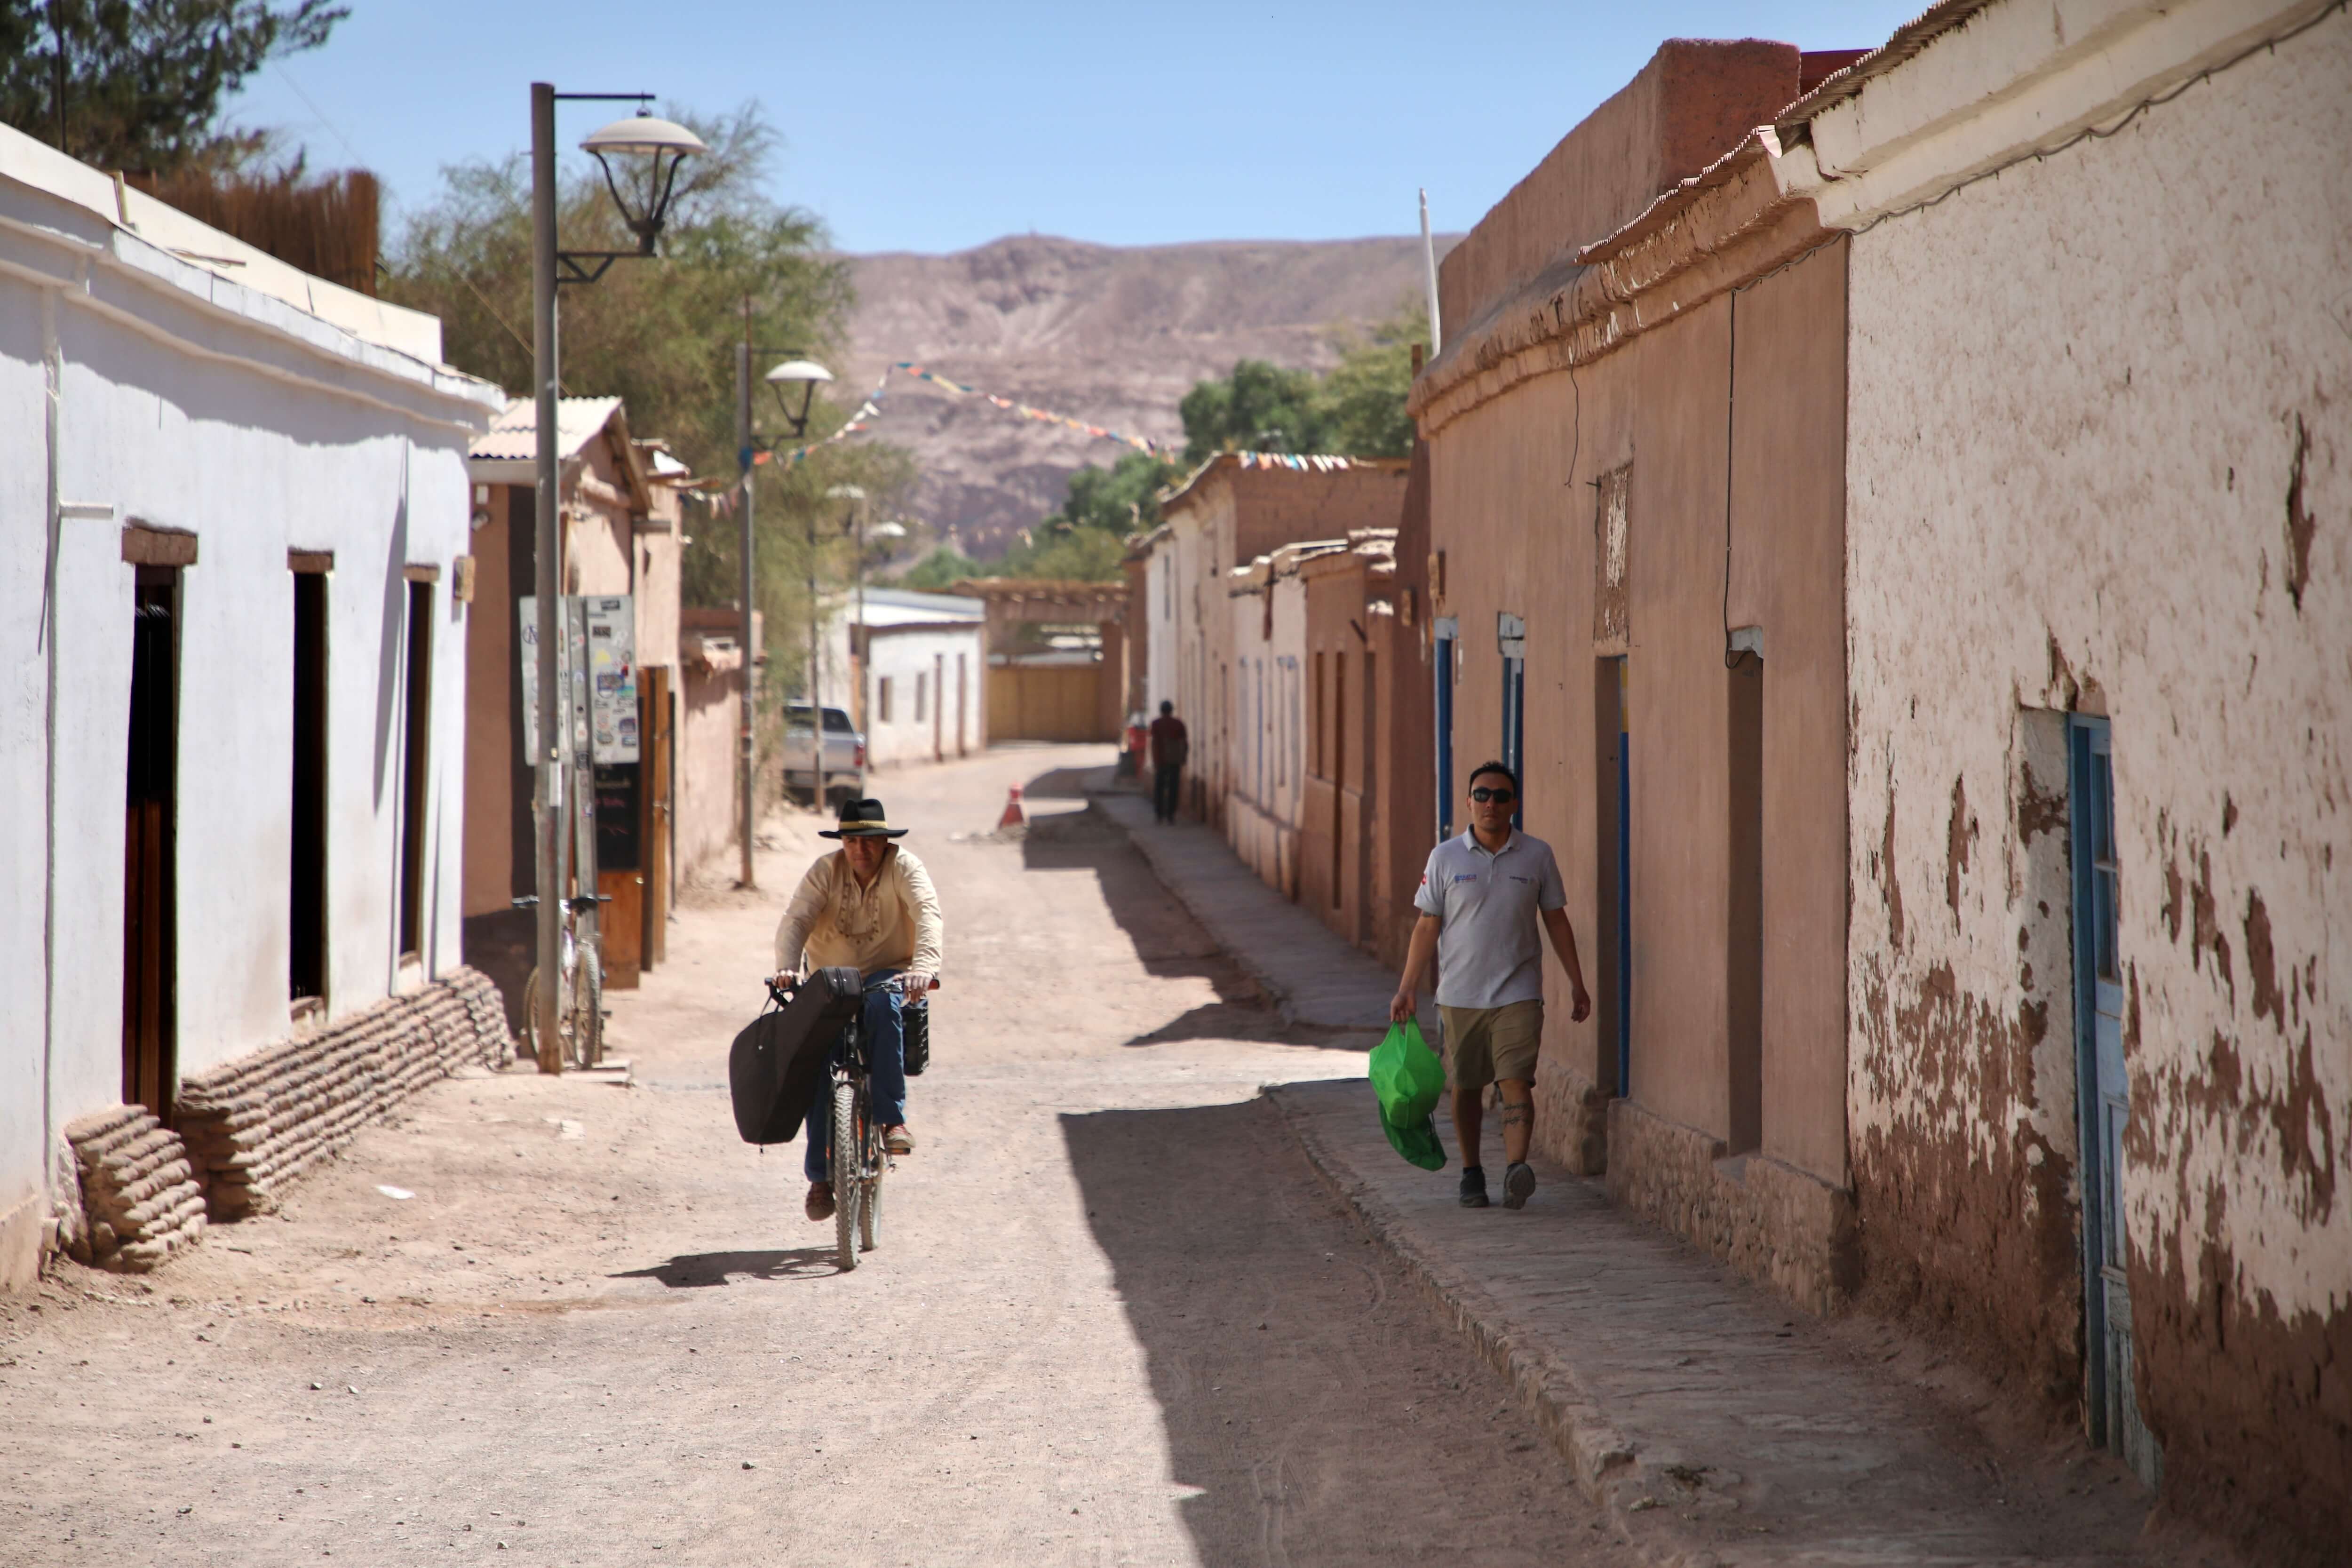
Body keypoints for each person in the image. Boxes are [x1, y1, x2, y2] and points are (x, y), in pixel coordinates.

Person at [1389, 762, 1591, 1210]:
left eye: (1501, 796)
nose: (1491, 804)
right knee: (1466, 1085)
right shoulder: (1445, 858)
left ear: (1514, 805)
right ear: (1468, 802)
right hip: (1460, 995)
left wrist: (1577, 981)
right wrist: (1406, 988)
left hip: (1518, 991)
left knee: (1515, 1080)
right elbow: (1427, 927)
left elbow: (1556, 920)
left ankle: (1517, 1169)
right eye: (1482, 795)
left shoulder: (1537, 855)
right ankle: (1471, 1170)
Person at [772, 796, 943, 1224]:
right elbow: (796, 920)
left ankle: (891, 1122)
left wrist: (923, 968)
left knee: (886, 1008)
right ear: (842, 843)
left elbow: (927, 913)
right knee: (815, 1067)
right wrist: (787, 968)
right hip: (832, 978)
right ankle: (820, 1178)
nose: (860, 850)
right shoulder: (824, 871)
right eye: (851, 841)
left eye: (869, 841)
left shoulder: (905, 868)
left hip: (887, 972)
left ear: (886, 842)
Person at [1148, 699, 1189, 824]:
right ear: (1171, 710)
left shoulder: (1156, 724)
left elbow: (1154, 743)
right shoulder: (1178, 724)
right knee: (1173, 788)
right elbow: (1185, 743)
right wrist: (1183, 758)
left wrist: (1155, 760)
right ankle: (1171, 815)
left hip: (1161, 761)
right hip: (1174, 761)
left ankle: (1159, 814)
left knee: (1159, 788)